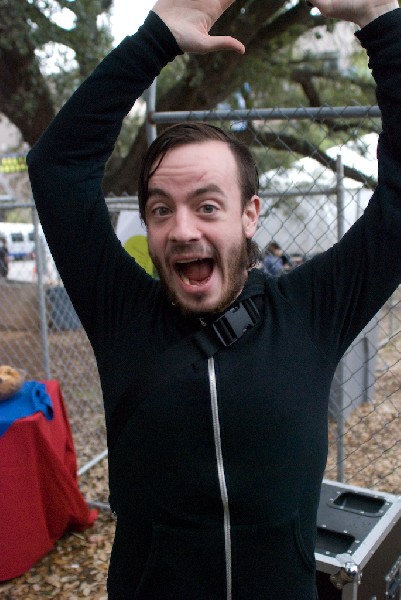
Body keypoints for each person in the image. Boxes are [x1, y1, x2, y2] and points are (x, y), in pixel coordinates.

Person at [27, 0, 401, 597]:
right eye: (160, 209)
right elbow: (57, 166)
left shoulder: (311, 310)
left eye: (207, 205)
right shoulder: (120, 313)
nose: (182, 230)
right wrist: (155, 39)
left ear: (250, 215)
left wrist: (379, 19)